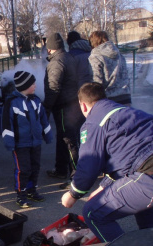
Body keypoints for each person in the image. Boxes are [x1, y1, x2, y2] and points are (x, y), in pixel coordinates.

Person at [62, 82, 153, 242]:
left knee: (93, 213)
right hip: (145, 166)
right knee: (144, 210)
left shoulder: (93, 123)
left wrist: (73, 194)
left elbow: (88, 167)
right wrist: (103, 186)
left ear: (83, 105)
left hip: (149, 174)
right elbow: (125, 158)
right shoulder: (128, 112)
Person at [2, 71, 53, 208]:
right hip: (20, 144)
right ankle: (21, 195)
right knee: (23, 169)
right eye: (33, 84)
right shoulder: (12, 102)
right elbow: (7, 124)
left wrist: (48, 135)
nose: (35, 86)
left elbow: (43, 119)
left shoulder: (36, 100)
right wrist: (9, 142)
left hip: (36, 142)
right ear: (24, 86)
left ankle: (32, 190)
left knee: (35, 167)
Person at [43, 33, 85, 188]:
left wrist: (46, 108)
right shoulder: (70, 57)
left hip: (63, 106)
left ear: (50, 49)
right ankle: (61, 169)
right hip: (74, 103)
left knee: (69, 141)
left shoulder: (56, 63)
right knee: (65, 139)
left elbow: (53, 88)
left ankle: (76, 178)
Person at [88, 31, 131, 105]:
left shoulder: (95, 57)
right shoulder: (119, 54)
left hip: (109, 100)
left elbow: (97, 82)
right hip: (125, 96)